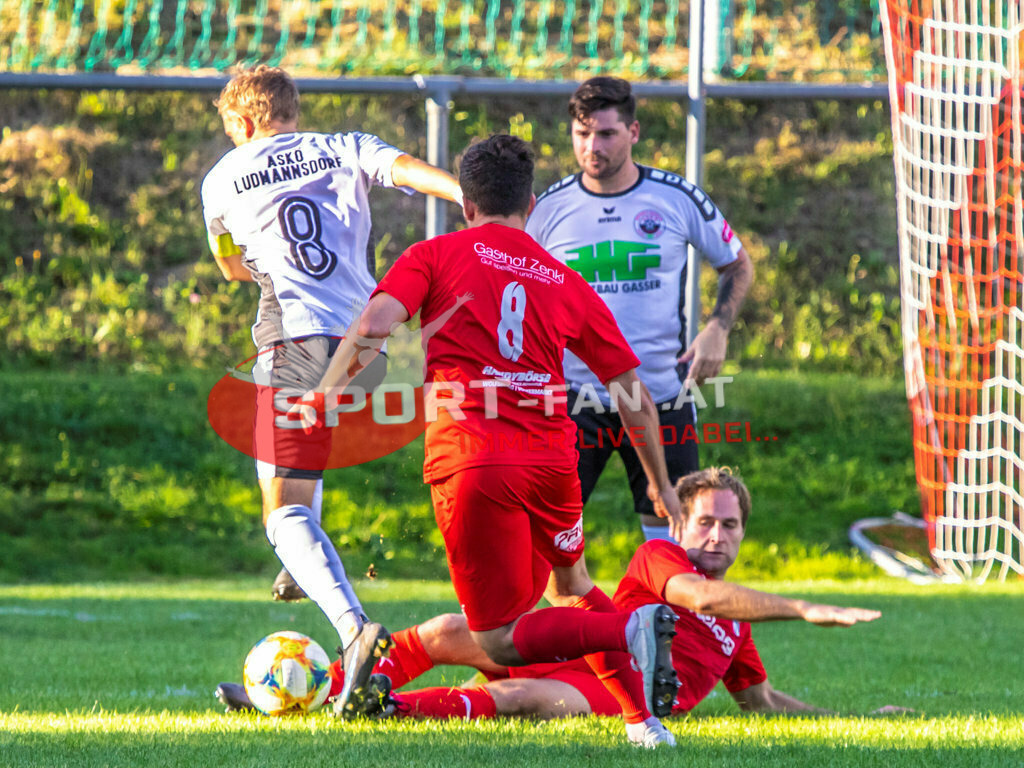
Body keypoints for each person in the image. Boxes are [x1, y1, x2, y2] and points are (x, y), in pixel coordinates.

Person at [309, 134, 685, 747]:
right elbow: (632, 393)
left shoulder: (434, 255)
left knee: (499, 638)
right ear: (531, 205)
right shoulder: (564, 279)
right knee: (574, 585)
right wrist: (659, 482)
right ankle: (644, 724)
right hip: (553, 460)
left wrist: (326, 395)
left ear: (467, 205)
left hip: (475, 460)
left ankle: (629, 632)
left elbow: (374, 324)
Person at [200, 64, 463, 718]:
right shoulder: (341, 145)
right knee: (299, 498)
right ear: (292, 110)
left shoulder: (223, 176)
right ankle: (308, 574)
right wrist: (469, 198)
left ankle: (353, 631)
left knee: (282, 512)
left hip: (294, 345)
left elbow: (231, 264)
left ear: (240, 122)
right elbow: (407, 172)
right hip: (364, 351)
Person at [218, 467, 886, 720]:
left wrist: (852, 719)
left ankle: (383, 711)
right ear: (681, 524)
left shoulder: (740, 626)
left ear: (744, 532)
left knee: (525, 699)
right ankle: (322, 689)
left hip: (614, 688)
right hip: (590, 652)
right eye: (704, 521)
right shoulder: (661, 557)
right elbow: (700, 598)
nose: (715, 534)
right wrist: (801, 607)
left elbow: (761, 701)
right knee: (455, 630)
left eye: (729, 525)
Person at [525, 77, 755, 543]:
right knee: (544, 537)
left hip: (661, 392)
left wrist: (718, 328)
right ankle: (562, 618)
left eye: (606, 134)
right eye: (582, 134)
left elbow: (737, 264)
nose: (593, 147)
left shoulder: (675, 198)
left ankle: (665, 617)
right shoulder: (548, 210)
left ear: (633, 132)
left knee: (674, 536)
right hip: (574, 399)